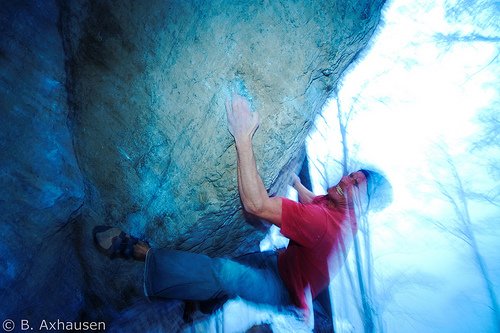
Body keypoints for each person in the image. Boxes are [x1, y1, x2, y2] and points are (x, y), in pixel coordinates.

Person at [93, 93, 392, 324]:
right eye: (352, 176)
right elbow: (316, 201)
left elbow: (256, 205)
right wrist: (298, 186)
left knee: (225, 272)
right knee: (231, 267)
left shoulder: (325, 225)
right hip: (280, 262)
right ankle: (205, 303)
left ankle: (138, 251)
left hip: (282, 291)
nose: (345, 181)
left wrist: (243, 135)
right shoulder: (340, 209)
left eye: (355, 187)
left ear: (360, 206)